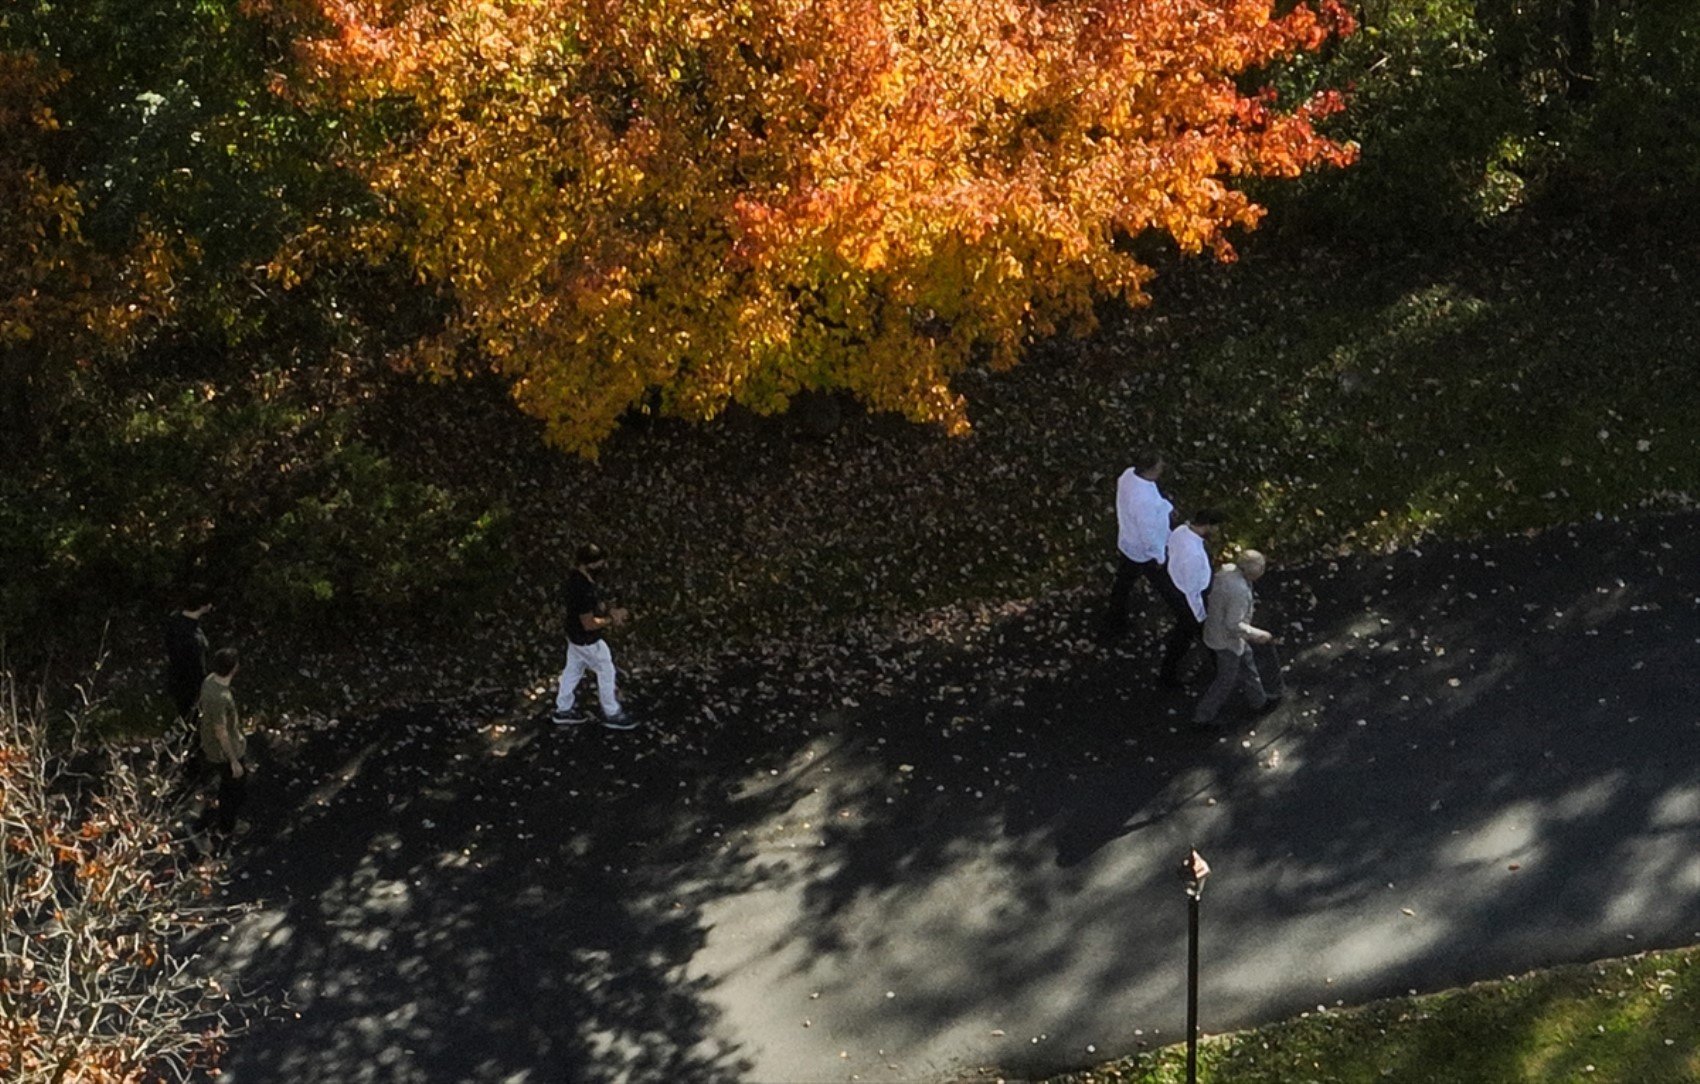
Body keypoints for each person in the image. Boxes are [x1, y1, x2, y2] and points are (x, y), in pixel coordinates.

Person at [553, 544, 634, 730]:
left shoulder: (577, 578)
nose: (603, 566)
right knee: (606, 670)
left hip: (574, 636)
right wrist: (612, 619)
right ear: (589, 564)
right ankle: (611, 712)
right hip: (587, 640)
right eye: (599, 562)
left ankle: (563, 709)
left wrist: (607, 610)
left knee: (572, 671)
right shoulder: (582, 589)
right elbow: (589, 623)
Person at [1193, 550, 1278, 727]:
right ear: (1251, 572)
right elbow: (1233, 624)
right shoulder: (1238, 591)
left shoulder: (1228, 572)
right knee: (1225, 680)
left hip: (1218, 632)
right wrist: (1258, 634)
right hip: (1227, 640)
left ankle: (1259, 700)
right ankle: (1203, 717)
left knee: (1247, 662)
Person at [1104, 449, 1174, 638]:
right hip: (1145, 551)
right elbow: (1148, 533)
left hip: (1129, 542)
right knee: (1166, 584)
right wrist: (1159, 555)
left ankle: (1115, 619)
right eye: (1159, 466)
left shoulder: (1128, 476)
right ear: (1150, 470)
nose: (1162, 468)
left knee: (1123, 582)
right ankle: (1185, 615)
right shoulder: (1143, 501)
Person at [1160, 508, 1226, 688]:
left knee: (1193, 634)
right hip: (1191, 598)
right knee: (1187, 636)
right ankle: (1167, 676)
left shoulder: (1181, 531)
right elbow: (1192, 590)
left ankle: (1217, 663)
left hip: (1179, 587)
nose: (1217, 532)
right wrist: (1199, 614)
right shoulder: (1193, 555)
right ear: (1206, 526)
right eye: (1215, 528)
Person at [197, 648, 248, 840]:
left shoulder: (209, 681)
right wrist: (233, 760)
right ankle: (226, 826)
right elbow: (221, 731)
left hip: (209, 743)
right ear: (234, 669)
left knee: (228, 783)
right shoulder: (221, 698)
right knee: (234, 789)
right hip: (224, 751)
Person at [164, 586, 213, 726]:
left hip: (177, 683)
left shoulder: (175, 622)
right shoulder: (192, 636)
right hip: (190, 688)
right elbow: (196, 666)